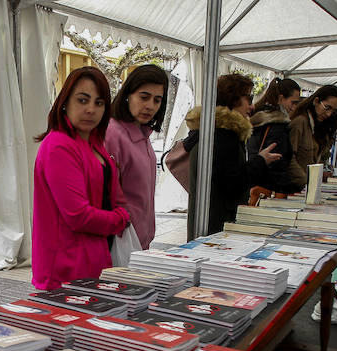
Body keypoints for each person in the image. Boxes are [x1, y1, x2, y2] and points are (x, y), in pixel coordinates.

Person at [32, 66, 130, 290]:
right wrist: (120, 219)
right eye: (83, 100)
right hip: (66, 269)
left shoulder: (94, 142)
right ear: (65, 101)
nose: (91, 109)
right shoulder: (59, 146)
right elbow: (78, 216)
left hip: (94, 261)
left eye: (99, 102)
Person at [182, 73, 281, 239]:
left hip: (207, 223)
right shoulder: (224, 135)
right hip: (217, 227)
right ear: (232, 98)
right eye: (248, 99)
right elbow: (232, 183)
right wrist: (260, 161)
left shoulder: (211, 131)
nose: (251, 106)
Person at [104, 64, 169, 249]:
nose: (150, 106)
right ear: (128, 94)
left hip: (140, 241)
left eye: (157, 100)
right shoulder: (112, 133)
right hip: (120, 241)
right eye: (144, 97)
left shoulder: (144, 134)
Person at [246, 78, 304, 194]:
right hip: (271, 189)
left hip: (255, 183)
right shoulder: (277, 125)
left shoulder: (258, 117)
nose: (294, 108)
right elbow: (277, 164)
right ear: (281, 99)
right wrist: (288, 190)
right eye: (293, 102)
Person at [288, 84, 337, 186]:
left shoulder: (322, 128)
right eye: (327, 107)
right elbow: (288, 158)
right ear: (316, 101)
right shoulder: (300, 122)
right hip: (296, 186)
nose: (329, 114)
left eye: (334, 111)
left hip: (311, 187)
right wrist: (305, 179)